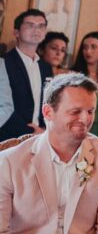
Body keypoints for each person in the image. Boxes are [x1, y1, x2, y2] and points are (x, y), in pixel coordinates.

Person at [0, 73, 98, 234]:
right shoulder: (10, 161)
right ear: (48, 112)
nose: (85, 119)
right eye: (75, 111)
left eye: (90, 111)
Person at [0, 9, 53, 140]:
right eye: (30, 25)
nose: (36, 30)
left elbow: (49, 103)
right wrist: (27, 132)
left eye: (41, 26)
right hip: (7, 136)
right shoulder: (4, 62)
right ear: (16, 32)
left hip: (39, 137)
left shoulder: (46, 68)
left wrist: (44, 130)